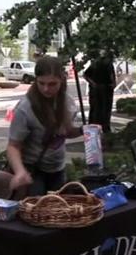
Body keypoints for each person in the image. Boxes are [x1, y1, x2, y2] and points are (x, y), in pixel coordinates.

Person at [7, 56, 83, 197]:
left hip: (58, 169)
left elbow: (65, 132)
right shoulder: (25, 108)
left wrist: (85, 130)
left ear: (62, 79)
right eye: (41, 83)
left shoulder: (68, 102)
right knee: (36, 212)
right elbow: (13, 146)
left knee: (57, 212)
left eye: (52, 84)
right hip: (33, 171)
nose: (46, 89)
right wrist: (20, 171)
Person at [87, 53, 116, 133]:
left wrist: (113, 84)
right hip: (98, 90)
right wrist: (94, 84)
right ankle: (98, 127)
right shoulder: (97, 64)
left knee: (103, 109)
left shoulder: (107, 64)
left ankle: (103, 127)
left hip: (105, 89)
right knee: (97, 109)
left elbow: (112, 77)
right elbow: (86, 75)